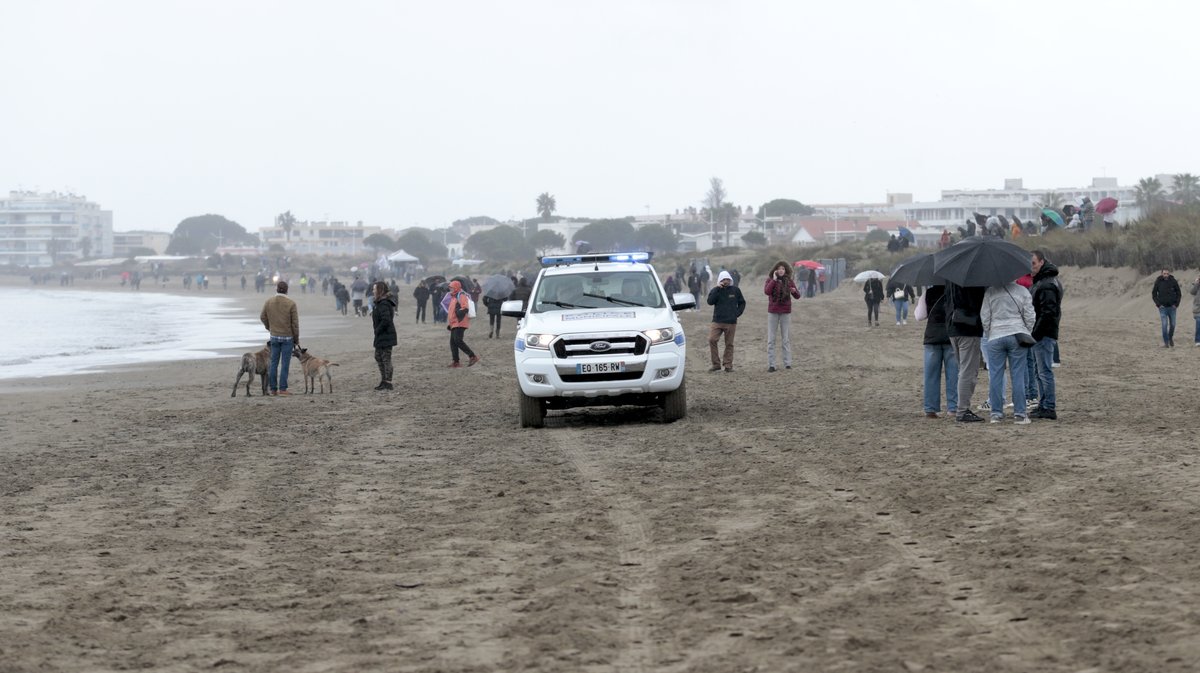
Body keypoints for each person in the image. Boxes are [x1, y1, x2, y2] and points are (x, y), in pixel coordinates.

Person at [980, 279, 1035, 425]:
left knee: (996, 375)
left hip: (995, 336)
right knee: (1018, 375)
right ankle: (1020, 414)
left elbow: (985, 317)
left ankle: (996, 414)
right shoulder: (1023, 291)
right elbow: (1030, 315)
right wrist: (1026, 331)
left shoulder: (990, 291)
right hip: (1017, 334)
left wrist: (989, 333)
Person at [946, 282, 987, 422]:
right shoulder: (973, 280)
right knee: (968, 371)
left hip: (953, 327)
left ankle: (962, 409)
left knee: (963, 370)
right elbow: (976, 302)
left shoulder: (951, 276)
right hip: (968, 328)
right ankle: (962, 410)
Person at [1029, 250, 1062, 420]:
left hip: (1044, 333)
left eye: (1033, 263)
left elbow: (1048, 312)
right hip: (1042, 332)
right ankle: (1044, 404)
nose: (1031, 266)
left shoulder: (1047, 284)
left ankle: (1049, 406)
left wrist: (1035, 333)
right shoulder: (1043, 281)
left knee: (1044, 371)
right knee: (1039, 371)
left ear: (1041, 262)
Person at [921, 285, 957, 418]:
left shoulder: (929, 292)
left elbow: (920, 315)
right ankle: (953, 408)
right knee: (953, 374)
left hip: (932, 337)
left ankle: (930, 408)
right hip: (951, 335)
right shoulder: (955, 291)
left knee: (931, 375)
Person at [260, 280, 300, 396]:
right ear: (287, 290)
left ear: (276, 289)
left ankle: (273, 389)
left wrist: (269, 327)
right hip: (287, 337)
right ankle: (283, 389)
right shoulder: (291, 303)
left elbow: (262, 317)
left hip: (274, 336)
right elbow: (295, 324)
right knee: (285, 363)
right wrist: (296, 339)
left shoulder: (269, 302)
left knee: (273, 363)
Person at [763, 260, 801, 372]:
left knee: (786, 339)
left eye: (783, 269)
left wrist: (794, 291)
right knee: (771, 340)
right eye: (779, 268)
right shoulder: (770, 280)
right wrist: (774, 280)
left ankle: (788, 363)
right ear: (775, 270)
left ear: (786, 270)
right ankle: (772, 365)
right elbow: (767, 291)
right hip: (773, 312)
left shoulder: (789, 281)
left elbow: (798, 296)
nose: (781, 270)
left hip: (785, 312)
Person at [706, 270, 746, 372]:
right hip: (717, 321)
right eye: (723, 279)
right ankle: (716, 364)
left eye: (727, 279)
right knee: (712, 340)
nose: (726, 281)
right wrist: (717, 289)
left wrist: (737, 313)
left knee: (729, 344)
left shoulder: (736, 290)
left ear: (730, 280)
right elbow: (710, 302)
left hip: (731, 322)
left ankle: (728, 365)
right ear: (720, 280)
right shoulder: (715, 290)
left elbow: (742, 303)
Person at [446, 280, 479, 368]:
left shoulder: (461, 295)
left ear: (456, 287)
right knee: (453, 342)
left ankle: (473, 356)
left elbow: (465, 307)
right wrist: (451, 323)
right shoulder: (453, 297)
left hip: (460, 322)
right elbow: (451, 312)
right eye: (450, 287)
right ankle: (456, 362)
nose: (450, 289)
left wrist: (458, 315)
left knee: (458, 340)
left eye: (452, 287)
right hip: (454, 323)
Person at [371, 281, 397, 390]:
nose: (373, 291)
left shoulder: (384, 303)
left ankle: (388, 382)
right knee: (378, 356)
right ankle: (383, 380)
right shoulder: (380, 302)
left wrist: (378, 329)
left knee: (386, 358)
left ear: (380, 290)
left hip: (386, 335)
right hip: (381, 335)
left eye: (374, 289)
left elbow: (386, 319)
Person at [1152, 268, 1182, 348]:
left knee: (1173, 325)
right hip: (1163, 308)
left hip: (1172, 308)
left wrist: (1176, 304)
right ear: (1162, 274)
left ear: (1169, 274)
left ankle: (1170, 337)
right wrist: (1158, 305)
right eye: (1164, 273)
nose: (1166, 275)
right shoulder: (1158, 281)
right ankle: (1166, 343)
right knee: (1164, 325)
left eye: (1167, 273)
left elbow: (1179, 293)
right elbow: (1154, 294)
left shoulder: (1173, 281)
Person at [1191, 274, 1200, 346]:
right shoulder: (1196, 285)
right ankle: (1197, 340)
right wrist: (1196, 283)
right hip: (1198, 309)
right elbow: (1192, 292)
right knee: (1198, 325)